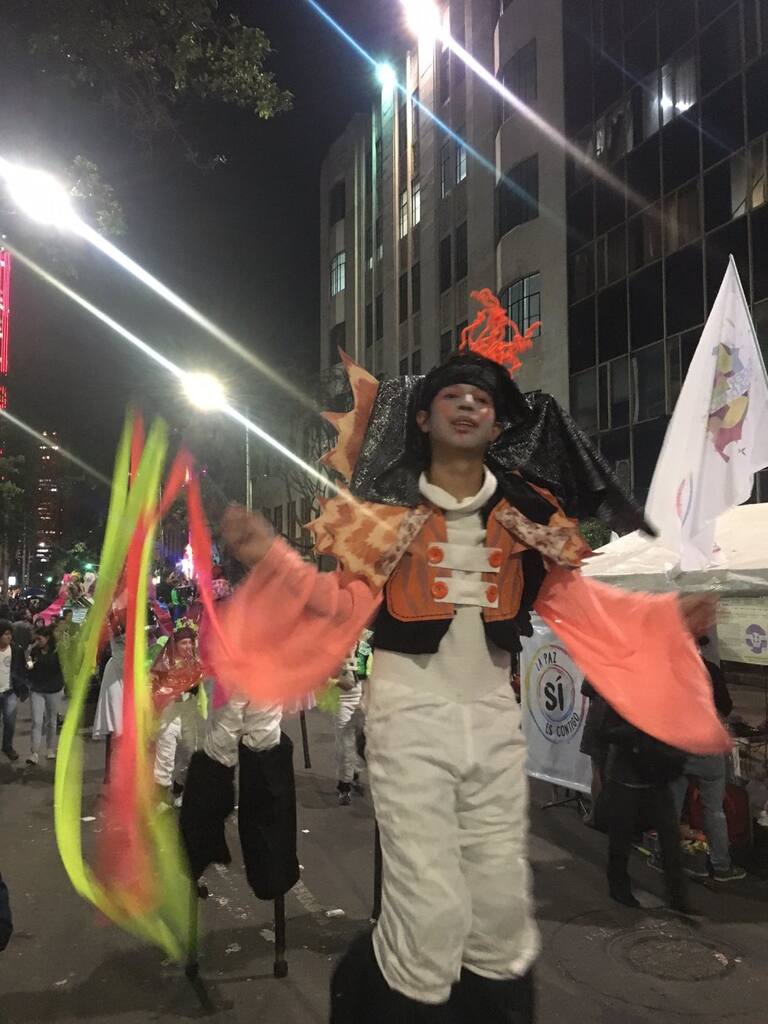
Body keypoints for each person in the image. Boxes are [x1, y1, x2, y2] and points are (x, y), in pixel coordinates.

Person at [208, 291, 725, 1023]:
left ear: (497, 422)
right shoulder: (383, 520)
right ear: (422, 418)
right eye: (452, 395)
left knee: (502, 917)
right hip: (408, 715)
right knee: (429, 915)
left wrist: (669, 618)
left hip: (491, 717)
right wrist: (270, 558)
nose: (469, 405)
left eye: (482, 399)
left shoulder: (526, 518)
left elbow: (583, 607)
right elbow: (332, 605)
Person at [668, 639, 745, 883]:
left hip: (678, 745)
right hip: (708, 745)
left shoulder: (669, 670)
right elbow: (725, 705)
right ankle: (721, 865)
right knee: (714, 809)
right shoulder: (710, 669)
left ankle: (665, 857)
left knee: (671, 806)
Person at [601, 706, 688, 910]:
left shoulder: (666, 698)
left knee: (670, 838)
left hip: (657, 778)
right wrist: (637, 731)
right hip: (627, 781)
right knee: (621, 838)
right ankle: (618, 887)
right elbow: (605, 731)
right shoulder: (621, 697)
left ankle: (677, 895)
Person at [151, 619, 204, 802]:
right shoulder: (164, 665)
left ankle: (180, 789)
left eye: (190, 642)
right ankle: (159, 802)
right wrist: (169, 691)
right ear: (175, 644)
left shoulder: (196, 663)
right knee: (165, 757)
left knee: (191, 754)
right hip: (169, 714)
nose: (188, 646)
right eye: (183, 643)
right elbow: (154, 690)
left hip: (188, 713)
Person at [334, 643, 368, 806]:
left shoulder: (365, 643)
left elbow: (370, 671)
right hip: (342, 700)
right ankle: (344, 785)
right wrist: (334, 681)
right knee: (345, 745)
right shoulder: (333, 644)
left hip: (364, 698)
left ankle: (354, 773)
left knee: (364, 743)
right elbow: (319, 673)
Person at [27, 624, 65, 766]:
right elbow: (29, 666)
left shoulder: (57, 651)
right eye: (36, 639)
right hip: (37, 689)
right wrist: (28, 657)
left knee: (51, 721)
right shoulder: (34, 650)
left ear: (48, 638)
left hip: (53, 689)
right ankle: (34, 752)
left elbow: (63, 668)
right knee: (37, 721)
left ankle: (50, 748)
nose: (37, 641)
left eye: (40, 639)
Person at [0, 619, 29, 761]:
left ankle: (7, 746)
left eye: (10, 634)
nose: (9, 637)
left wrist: (21, 687)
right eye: (6, 634)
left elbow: (21, 669)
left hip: (10, 692)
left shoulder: (16, 650)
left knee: (10, 722)